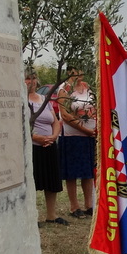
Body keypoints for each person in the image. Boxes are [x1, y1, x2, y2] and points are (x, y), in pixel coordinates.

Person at [56, 67, 97, 218]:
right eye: (75, 70)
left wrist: (94, 128)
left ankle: (89, 204)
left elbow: (96, 107)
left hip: (90, 135)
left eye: (81, 69)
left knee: (87, 172)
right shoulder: (64, 89)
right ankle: (74, 206)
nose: (79, 73)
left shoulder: (88, 86)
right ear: (69, 72)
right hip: (72, 135)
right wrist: (84, 129)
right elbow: (65, 114)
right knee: (72, 173)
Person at [26, 71, 66, 226]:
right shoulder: (20, 100)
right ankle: (32, 218)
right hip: (33, 147)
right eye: (27, 78)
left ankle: (51, 215)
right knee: (34, 182)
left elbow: (55, 121)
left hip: (49, 145)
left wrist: (53, 136)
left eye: (33, 78)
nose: (31, 81)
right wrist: (38, 138)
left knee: (51, 181)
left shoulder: (44, 99)